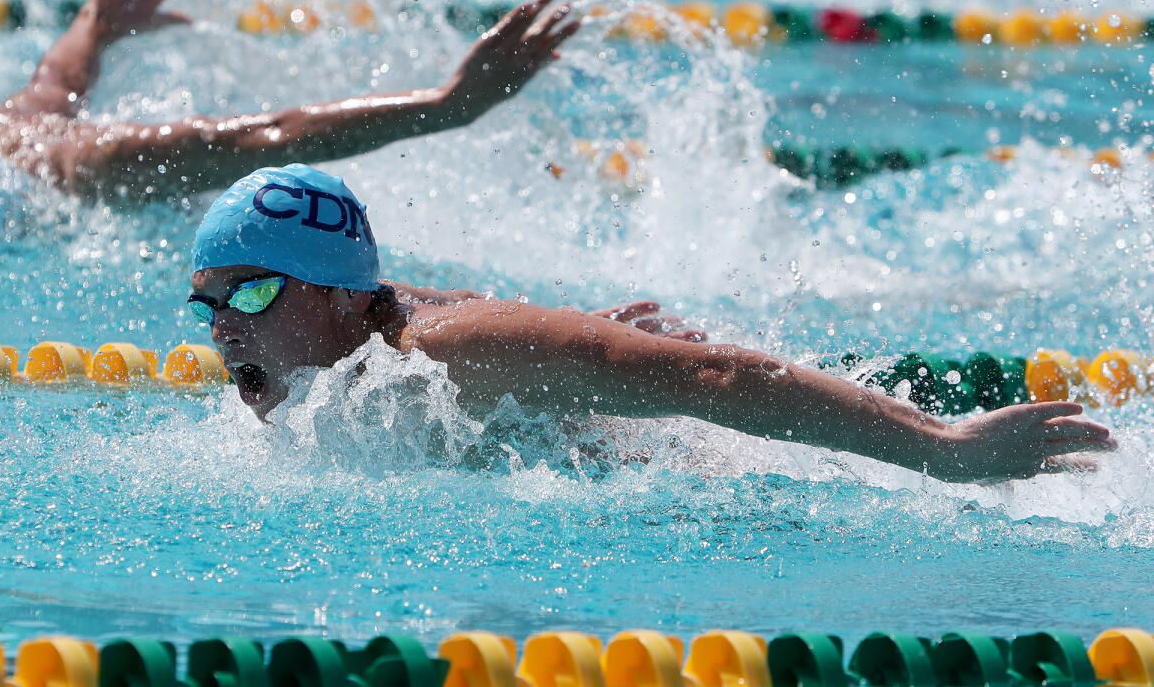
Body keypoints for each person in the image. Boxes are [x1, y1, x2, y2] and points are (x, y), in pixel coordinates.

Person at [189, 163, 1116, 484]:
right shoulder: (355, 328)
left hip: (691, 479)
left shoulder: (453, 356)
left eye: (256, 294)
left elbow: (718, 380)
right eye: (211, 301)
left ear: (341, 296)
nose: (225, 327)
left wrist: (942, 445)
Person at [0, 0, 579, 197]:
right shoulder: (5, 135)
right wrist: (94, 26)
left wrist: (445, 107)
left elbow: (258, 139)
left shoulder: (52, 162)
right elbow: (52, 85)